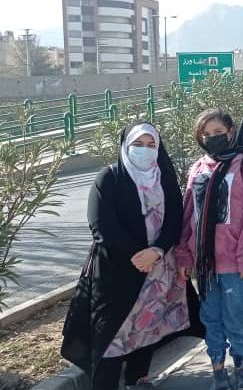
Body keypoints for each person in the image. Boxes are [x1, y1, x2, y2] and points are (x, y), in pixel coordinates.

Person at [62, 123, 196, 390]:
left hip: (158, 269)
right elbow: (101, 226)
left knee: (147, 325)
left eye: (151, 145)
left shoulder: (164, 177)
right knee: (111, 335)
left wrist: (157, 251)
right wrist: (137, 256)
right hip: (117, 271)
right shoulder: (109, 178)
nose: (144, 150)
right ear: (125, 146)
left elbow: (175, 218)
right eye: (138, 144)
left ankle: (138, 379)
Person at [176, 108, 243, 390]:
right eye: (206, 134)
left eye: (217, 132)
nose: (212, 138)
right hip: (204, 264)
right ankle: (217, 368)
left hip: (235, 262)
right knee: (211, 318)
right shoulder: (198, 169)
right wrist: (184, 255)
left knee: (236, 318)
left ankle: (241, 366)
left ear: (230, 132)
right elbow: (188, 215)